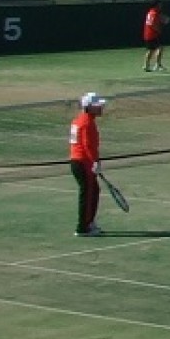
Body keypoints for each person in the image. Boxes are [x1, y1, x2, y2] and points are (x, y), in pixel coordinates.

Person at [68, 92, 106, 237]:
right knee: (88, 193)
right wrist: (95, 162)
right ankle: (82, 227)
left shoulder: (79, 120)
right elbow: (87, 146)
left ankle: (88, 223)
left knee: (93, 191)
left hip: (79, 162)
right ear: (89, 107)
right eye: (98, 106)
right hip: (83, 163)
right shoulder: (86, 123)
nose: (101, 108)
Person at [141, 1, 166, 72]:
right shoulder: (153, 13)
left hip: (148, 34)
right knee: (157, 49)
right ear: (156, 5)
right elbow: (151, 24)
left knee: (153, 49)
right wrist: (158, 30)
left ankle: (147, 65)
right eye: (160, 4)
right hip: (152, 34)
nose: (161, 5)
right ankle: (156, 65)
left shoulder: (152, 12)